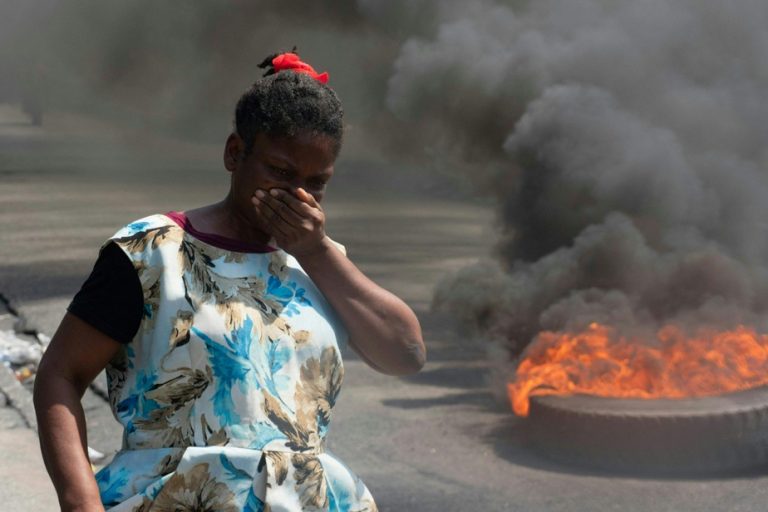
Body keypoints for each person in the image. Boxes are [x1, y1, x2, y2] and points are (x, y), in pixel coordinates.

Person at [33, 51, 426, 512]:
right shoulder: (152, 252)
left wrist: (316, 251)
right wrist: (81, 503)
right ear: (234, 153)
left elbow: (406, 354)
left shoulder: (321, 264)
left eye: (316, 182)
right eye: (281, 172)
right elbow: (60, 375)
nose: (298, 194)